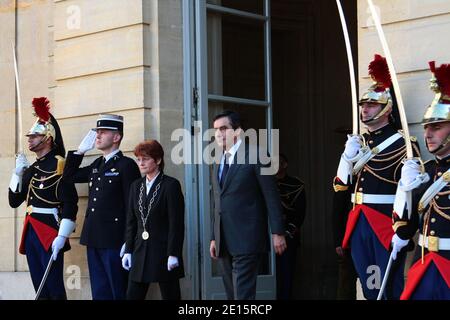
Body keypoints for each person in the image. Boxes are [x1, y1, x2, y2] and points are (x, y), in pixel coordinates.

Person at [333, 54, 420, 299]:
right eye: (363, 105)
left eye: (370, 105)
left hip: (385, 223)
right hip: (359, 222)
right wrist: (347, 158)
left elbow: (412, 194)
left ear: (386, 109)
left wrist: (404, 230)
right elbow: (340, 187)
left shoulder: (404, 144)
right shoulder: (358, 144)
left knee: (388, 288)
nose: (364, 109)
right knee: (370, 286)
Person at [209, 110, 287, 300]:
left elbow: (271, 195)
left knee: (242, 296)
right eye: (215, 130)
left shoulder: (257, 154)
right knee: (231, 295)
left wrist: (278, 232)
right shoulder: (217, 160)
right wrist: (214, 237)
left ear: (237, 132)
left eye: (224, 128)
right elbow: (218, 201)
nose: (218, 134)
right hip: (223, 240)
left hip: (248, 238)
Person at [63, 114, 141, 300]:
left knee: (117, 291)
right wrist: (79, 152)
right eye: (97, 131)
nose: (97, 136)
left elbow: (133, 206)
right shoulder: (98, 164)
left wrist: (128, 243)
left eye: (103, 132)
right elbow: (68, 177)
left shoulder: (126, 165)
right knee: (100, 292)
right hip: (94, 236)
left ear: (116, 137)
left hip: (115, 240)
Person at [8, 97, 78, 299]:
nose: (29, 139)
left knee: (53, 287)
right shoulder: (32, 168)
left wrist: (62, 236)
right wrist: (17, 173)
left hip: (50, 231)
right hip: (31, 230)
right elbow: (14, 202)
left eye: (34, 136)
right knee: (39, 285)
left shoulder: (60, 166)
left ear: (48, 138)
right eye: (29, 136)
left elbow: (70, 204)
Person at [392, 61, 450, 299]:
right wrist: (404, 190)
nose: (427, 134)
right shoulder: (425, 171)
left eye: (436, 127)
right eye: (427, 127)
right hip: (425, 263)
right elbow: (405, 226)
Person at [121, 140, 185, 300]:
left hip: (163, 251)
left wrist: (173, 253)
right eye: (138, 159)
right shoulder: (136, 186)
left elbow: (176, 224)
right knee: (132, 295)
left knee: (171, 295)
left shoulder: (171, 185)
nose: (141, 163)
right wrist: (128, 249)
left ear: (157, 160)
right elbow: (131, 222)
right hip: (140, 250)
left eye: (145, 159)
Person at [275, 153, 306, 300]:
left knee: (287, 275)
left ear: (285, 164)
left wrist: (288, 232)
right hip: (267, 237)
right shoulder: (267, 182)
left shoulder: (295, 185)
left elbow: (300, 213)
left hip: (288, 235)